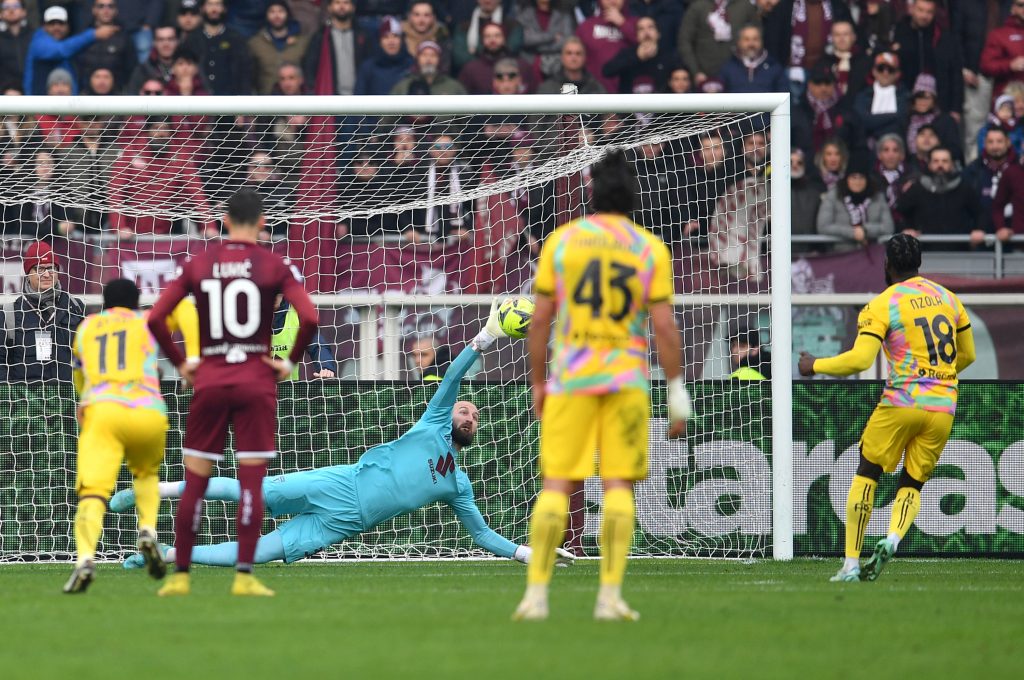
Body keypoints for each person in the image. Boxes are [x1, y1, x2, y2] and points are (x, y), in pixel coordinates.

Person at [114, 309, 574, 571]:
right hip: (342, 483)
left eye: (475, 414)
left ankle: (165, 554)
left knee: (258, 553)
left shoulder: (458, 484)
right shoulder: (434, 421)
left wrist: (528, 552)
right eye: (465, 408)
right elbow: (453, 375)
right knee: (250, 493)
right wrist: (487, 336)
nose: (469, 414)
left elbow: (481, 535)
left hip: (343, 526)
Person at [512, 149, 691, 622]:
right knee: (617, 487)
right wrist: (676, 389)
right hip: (626, 380)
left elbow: (540, 320)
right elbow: (665, 328)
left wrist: (536, 383)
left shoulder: (563, 242)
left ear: (592, 192)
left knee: (556, 485)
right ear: (634, 193)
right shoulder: (649, 247)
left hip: (571, 378)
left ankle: (536, 596)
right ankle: (609, 597)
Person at [146, 189, 319, 597]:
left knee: (196, 480)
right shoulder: (274, 264)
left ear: (224, 220)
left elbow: (155, 317)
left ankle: (181, 576)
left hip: (210, 379)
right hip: (256, 381)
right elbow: (310, 315)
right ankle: (244, 576)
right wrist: (289, 360)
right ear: (261, 222)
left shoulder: (199, 263)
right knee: (251, 483)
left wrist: (182, 363)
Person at [798, 234, 976, 582]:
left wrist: (815, 364)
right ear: (919, 262)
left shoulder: (884, 304)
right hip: (943, 406)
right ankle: (893, 538)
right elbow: (967, 355)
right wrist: (936, 378)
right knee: (913, 481)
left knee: (868, 473)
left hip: (901, 401)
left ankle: (850, 563)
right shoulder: (948, 299)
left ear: (887, 264)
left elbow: (860, 359)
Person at [61, 279, 169, 594]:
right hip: (147, 410)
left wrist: (85, 398)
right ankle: (147, 529)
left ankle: (84, 559)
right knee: (146, 474)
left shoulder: (87, 327)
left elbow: (79, 376)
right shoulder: (148, 321)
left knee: (93, 492)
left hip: (103, 411)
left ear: (104, 302)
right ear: (136, 302)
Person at [0, 241, 86, 384]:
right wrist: (12, 397)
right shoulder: (10, 314)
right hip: (26, 402)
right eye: (39, 269)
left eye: (51, 268)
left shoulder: (76, 307)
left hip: (68, 400)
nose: (47, 274)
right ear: (28, 274)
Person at [896, 146, 981, 249]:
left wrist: (978, 230)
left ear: (952, 164)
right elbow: (900, 211)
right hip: (923, 252)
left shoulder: (964, 187)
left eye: (945, 161)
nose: (940, 165)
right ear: (930, 164)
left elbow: (980, 212)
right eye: (936, 161)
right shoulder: (917, 188)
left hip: (959, 251)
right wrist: (907, 229)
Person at [23, 5, 117, 95]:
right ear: (44, 26)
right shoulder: (39, 42)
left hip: (66, 106)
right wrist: (93, 35)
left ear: (67, 26)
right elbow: (60, 51)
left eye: (61, 23)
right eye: (52, 23)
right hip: (38, 107)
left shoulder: (70, 44)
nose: (57, 27)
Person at [816, 152, 895, 252]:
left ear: (867, 179)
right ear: (847, 178)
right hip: (841, 255)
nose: (857, 182)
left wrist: (865, 230)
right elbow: (823, 226)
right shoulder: (833, 196)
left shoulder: (877, 197)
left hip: (872, 256)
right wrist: (853, 233)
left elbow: (888, 227)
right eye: (853, 177)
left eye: (861, 177)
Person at [677, 0, 759, 91]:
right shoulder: (698, 6)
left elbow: (757, 37)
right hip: (704, 77)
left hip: (738, 77)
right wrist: (695, 71)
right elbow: (684, 40)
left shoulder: (745, 6)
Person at [302, 0, 374, 96]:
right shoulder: (320, 37)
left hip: (360, 97)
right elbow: (310, 68)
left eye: (346, 3)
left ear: (353, 7)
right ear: (329, 7)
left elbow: (371, 66)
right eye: (337, 3)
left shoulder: (363, 36)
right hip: (330, 98)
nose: (341, 6)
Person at [182, 0, 252, 95]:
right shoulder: (192, 39)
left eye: (218, 4)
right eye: (210, 4)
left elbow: (244, 74)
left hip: (231, 102)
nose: (214, 9)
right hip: (199, 102)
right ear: (202, 8)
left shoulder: (236, 39)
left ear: (224, 8)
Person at [248, 0, 311, 95]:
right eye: (272, 12)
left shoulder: (302, 42)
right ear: (266, 15)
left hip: (297, 102)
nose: (277, 15)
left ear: (287, 14)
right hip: (266, 101)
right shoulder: (255, 43)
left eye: (281, 11)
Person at [602, 15, 676, 94]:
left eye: (650, 27)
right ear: (637, 36)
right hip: (630, 104)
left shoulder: (669, 56)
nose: (646, 32)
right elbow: (607, 71)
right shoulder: (628, 53)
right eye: (641, 29)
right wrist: (637, 56)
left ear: (658, 34)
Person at [271, 294, 337, 379]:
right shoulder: (250, 316)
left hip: (288, 390)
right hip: (255, 390)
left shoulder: (297, 314)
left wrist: (325, 367)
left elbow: (318, 346)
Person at [75, 0, 136, 92]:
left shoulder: (125, 38)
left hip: (117, 95)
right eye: (101, 6)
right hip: (87, 95)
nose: (106, 10)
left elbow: (131, 69)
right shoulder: (83, 36)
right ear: (94, 10)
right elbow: (77, 68)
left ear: (116, 11)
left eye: (110, 6)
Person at [717, 23, 787, 94]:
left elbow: (785, 99)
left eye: (755, 39)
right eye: (746, 39)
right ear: (739, 42)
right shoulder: (727, 68)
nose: (751, 44)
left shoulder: (775, 68)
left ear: (761, 41)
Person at [355, 15, 413, 96]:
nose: (391, 42)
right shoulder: (368, 68)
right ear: (379, 41)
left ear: (402, 40)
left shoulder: (411, 65)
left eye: (395, 36)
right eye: (386, 37)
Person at [536, 36, 606, 94]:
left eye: (578, 53)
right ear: (562, 57)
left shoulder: (595, 87)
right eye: (569, 53)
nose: (574, 57)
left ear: (585, 57)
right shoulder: (548, 88)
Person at [127, 24, 178, 93]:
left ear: (177, 41)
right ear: (154, 43)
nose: (166, 44)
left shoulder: (188, 67)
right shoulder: (143, 70)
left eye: (170, 39)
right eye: (161, 39)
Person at [0, 0, 32, 89]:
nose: (11, 10)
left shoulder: (34, 36)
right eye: (6, 7)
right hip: (5, 95)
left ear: (24, 11)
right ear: (1, 13)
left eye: (16, 6)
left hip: (33, 93)